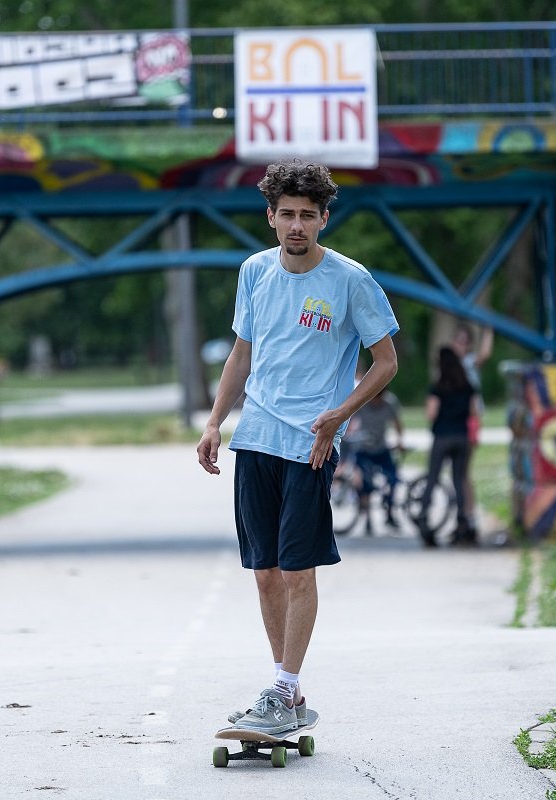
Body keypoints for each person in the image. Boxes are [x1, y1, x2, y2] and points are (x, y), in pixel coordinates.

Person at [196, 160, 399, 734]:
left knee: (298, 571)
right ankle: (288, 687)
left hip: (309, 444)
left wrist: (339, 416)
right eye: (287, 214)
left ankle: (282, 691)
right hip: (255, 436)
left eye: (308, 216)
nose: (296, 225)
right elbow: (242, 354)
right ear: (270, 217)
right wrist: (215, 423)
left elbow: (386, 362)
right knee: (264, 572)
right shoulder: (255, 273)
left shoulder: (350, 280)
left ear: (324, 220)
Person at [418, 345, 477, 547]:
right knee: (459, 479)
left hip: (442, 436)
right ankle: (462, 521)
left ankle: (424, 516)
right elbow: (474, 411)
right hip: (462, 437)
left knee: (433, 477)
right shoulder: (468, 386)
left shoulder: (438, 387)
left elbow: (431, 413)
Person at [343, 386, 405, 534]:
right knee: (365, 484)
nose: (377, 401)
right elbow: (351, 420)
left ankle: (390, 512)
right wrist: (350, 434)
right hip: (363, 448)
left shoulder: (390, 403)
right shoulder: (363, 402)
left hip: (381, 448)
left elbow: (397, 423)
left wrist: (399, 441)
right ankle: (368, 518)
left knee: (392, 479)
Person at [450, 323, 492, 527]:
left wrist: (488, 330)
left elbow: (484, 354)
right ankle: (465, 511)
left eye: (465, 342)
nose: (462, 345)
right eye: (459, 341)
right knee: (460, 471)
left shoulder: (468, 362)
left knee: (464, 470)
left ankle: (469, 512)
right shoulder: (450, 364)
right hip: (457, 419)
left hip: (470, 419)